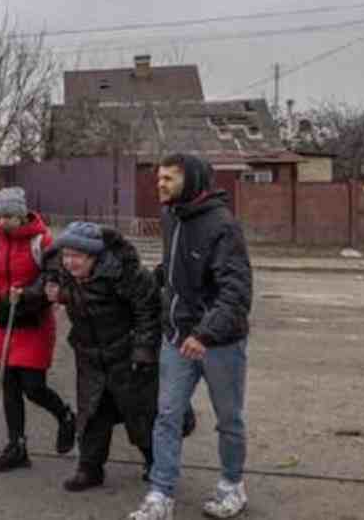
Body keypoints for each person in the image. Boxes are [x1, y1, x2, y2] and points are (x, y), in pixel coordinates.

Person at [129, 154, 253, 520]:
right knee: (166, 416)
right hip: (176, 338)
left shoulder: (222, 226)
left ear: (193, 180)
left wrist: (205, 333)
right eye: (159, 178)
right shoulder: (172, 217)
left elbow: (237, 291)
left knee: (228, 419)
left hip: (219, 343)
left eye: (169, 178)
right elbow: (175, 270)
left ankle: (232, 487)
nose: (160, 185)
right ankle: (160, 494)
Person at [37, 221, 160, 492]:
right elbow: (47, 273)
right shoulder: (61, 271)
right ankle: (89, 469)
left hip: (125, 353)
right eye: (66, 255)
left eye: (77, 257)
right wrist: (50, 290)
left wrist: (143, 349)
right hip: (89, 355)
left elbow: (148, 310)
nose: (69, 262)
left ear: (94, 257)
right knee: (91, 414)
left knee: (139, 413)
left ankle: (156, 464)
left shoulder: (124, 273)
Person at [0, 187, 76, 472]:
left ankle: (66, 415)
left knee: (33, 387)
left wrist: (27, 294)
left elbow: (52, 277)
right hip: (2, 320)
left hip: (33, 322)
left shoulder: (42, 240)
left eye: (8, 216)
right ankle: (16, 445)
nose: (1, 222)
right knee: (8, 387)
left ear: (21, 215)